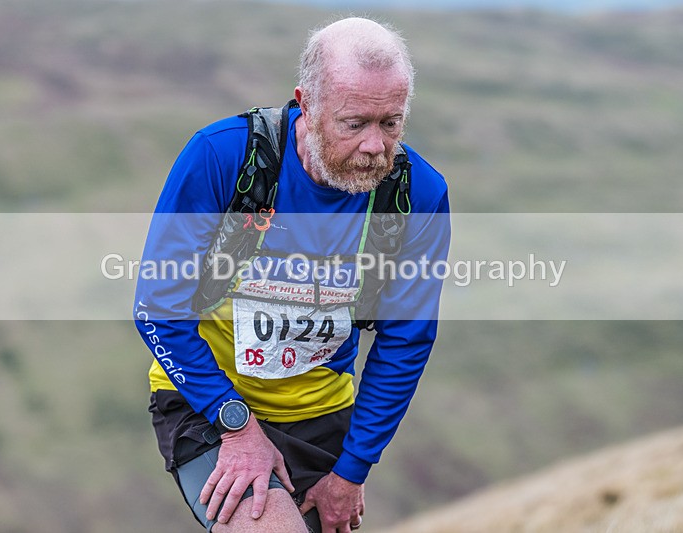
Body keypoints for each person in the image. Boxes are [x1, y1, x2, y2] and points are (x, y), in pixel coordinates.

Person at [134, 16, 450, 533]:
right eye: (354, 124)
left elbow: (406, 341)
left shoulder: (418, 196)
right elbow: (157, 308)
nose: (375, 146)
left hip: (323, 417)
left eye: (391, 123)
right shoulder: (223, 157)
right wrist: (236, 426)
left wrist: (351, 470)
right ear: (307, 104)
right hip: (207, 401)